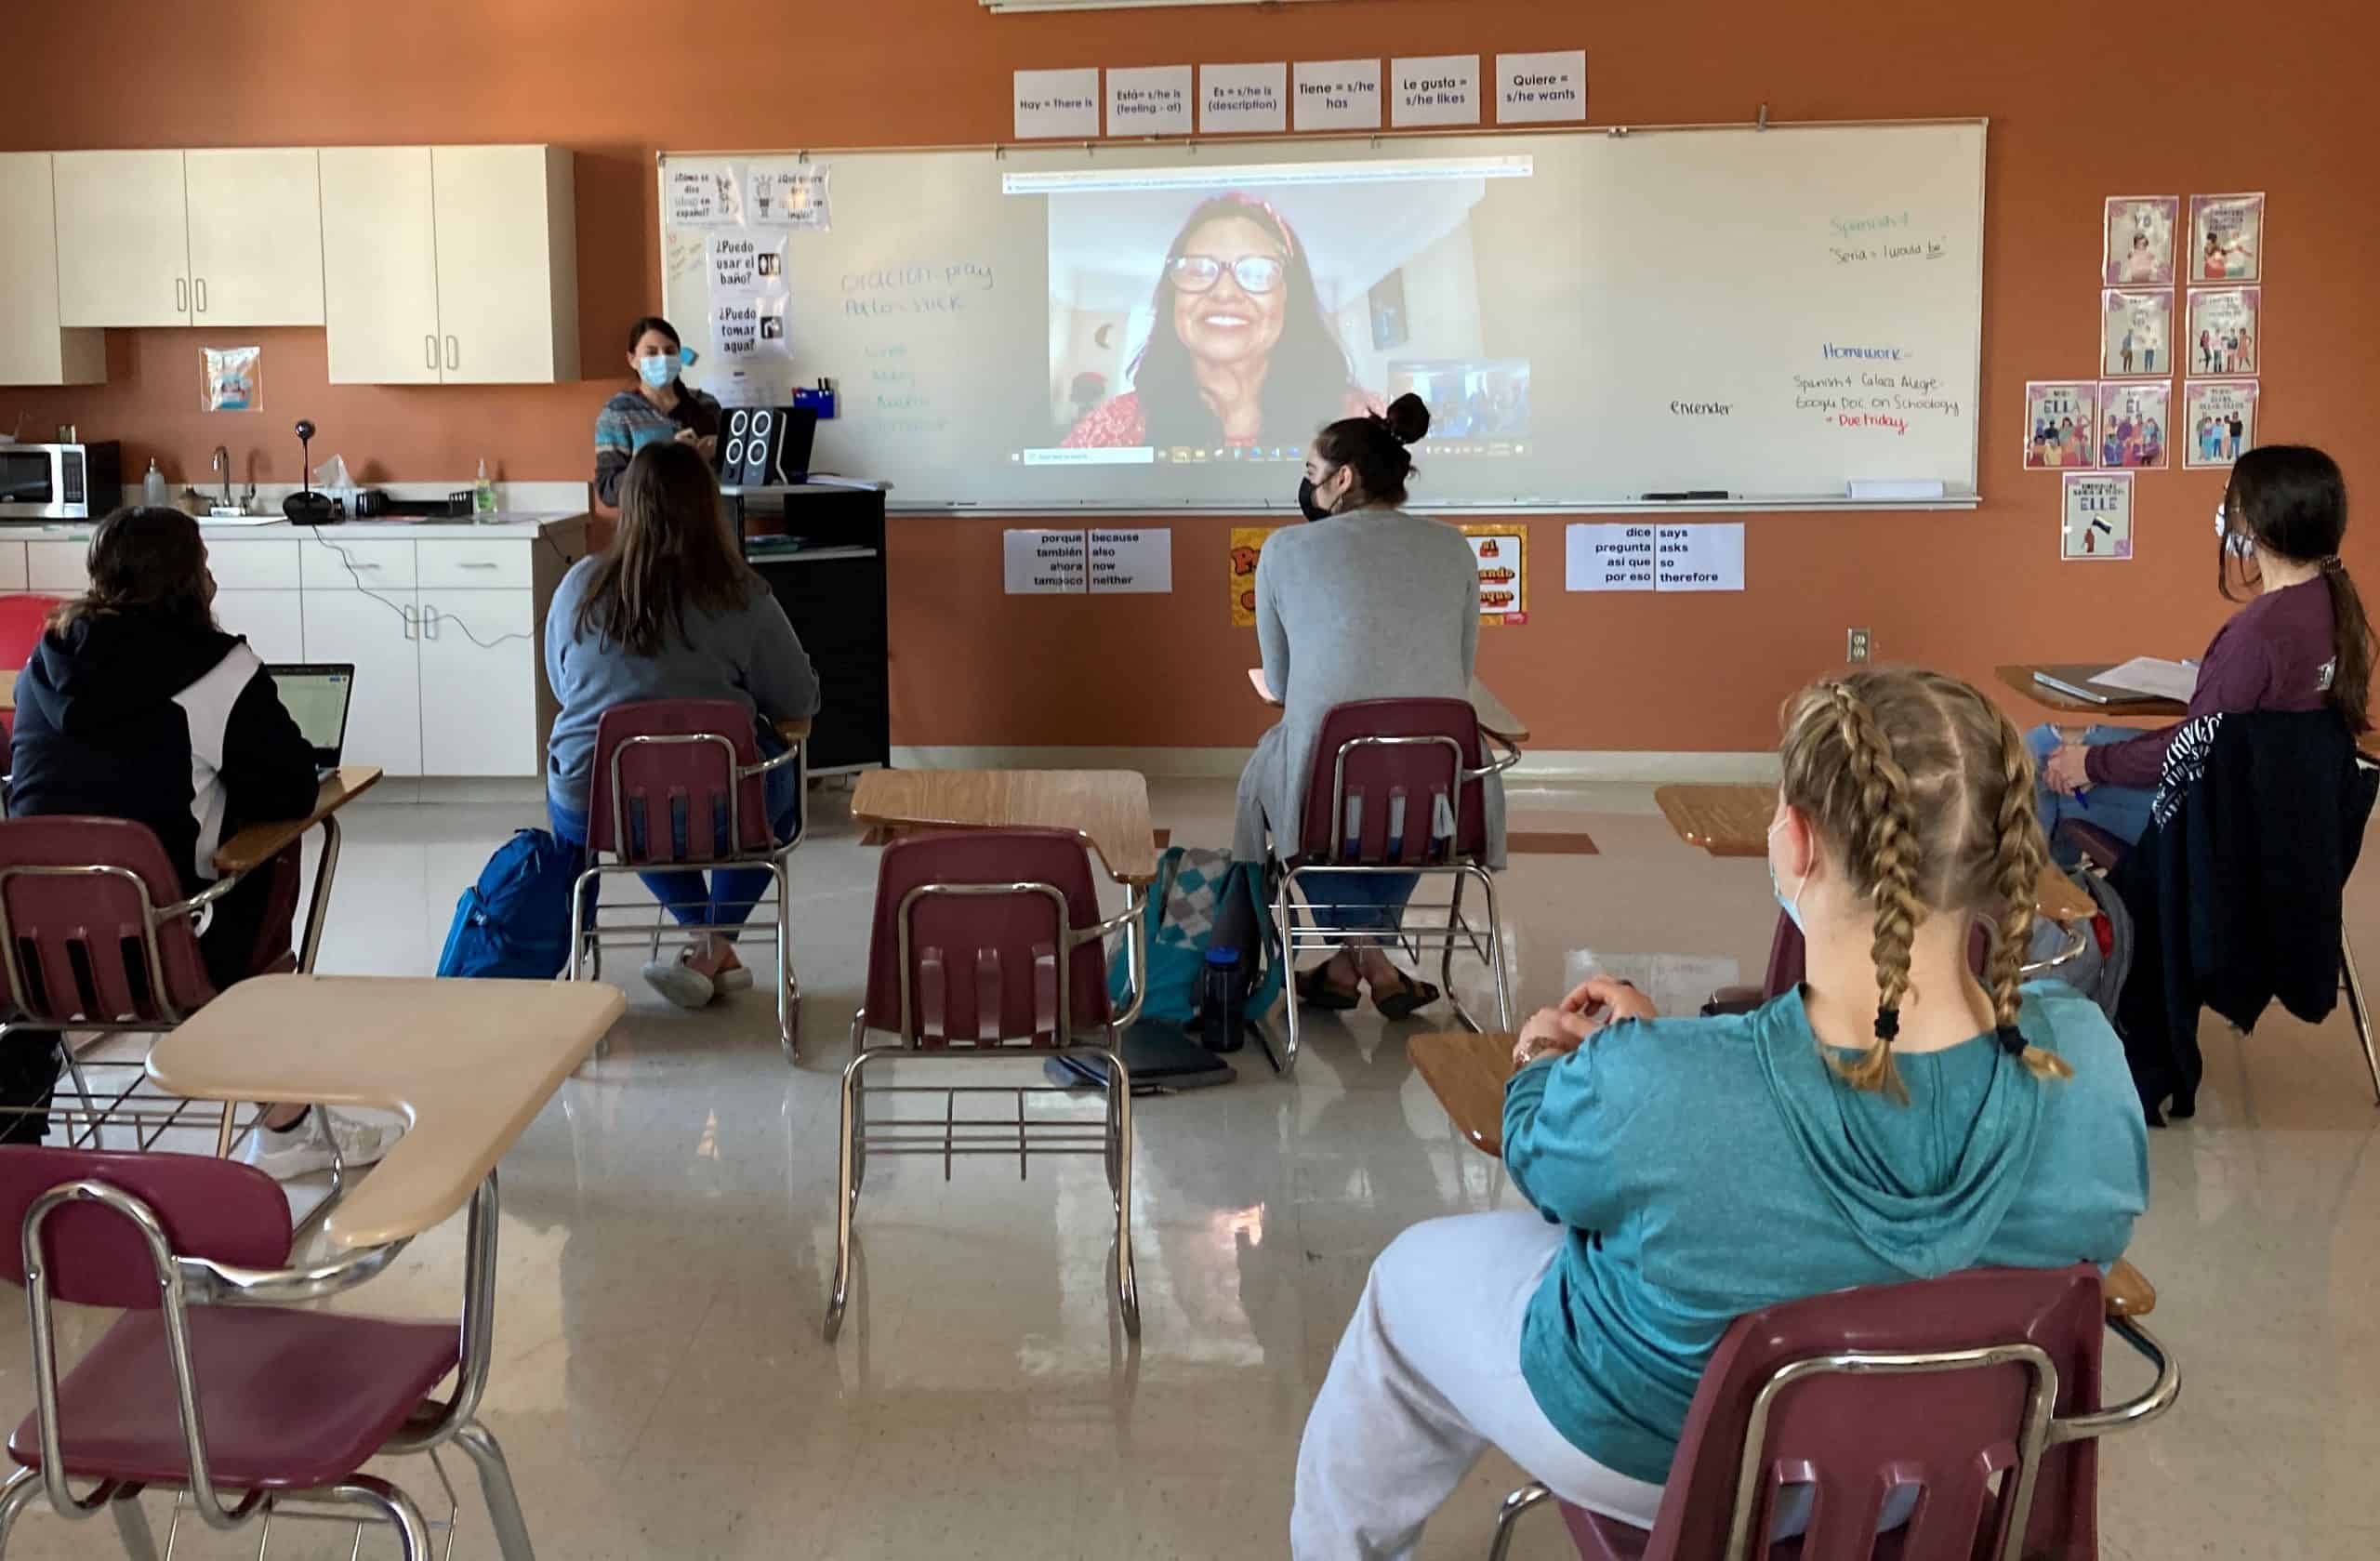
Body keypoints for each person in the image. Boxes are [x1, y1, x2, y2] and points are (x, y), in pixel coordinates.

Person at [1290, 668, 2149, 1560]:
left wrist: (1561, 1060)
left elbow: (1542, 1155)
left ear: (1800, 844)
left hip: (1653, 1445)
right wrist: (1657, 1066)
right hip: (1944, 1472)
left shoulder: (1665, 1087)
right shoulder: (2084, 1062)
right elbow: (2088, 1231)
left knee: (1403, 1284)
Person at [7, 507, 400, 1177]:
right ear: (190, 580)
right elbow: (289, 790)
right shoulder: (216, 668)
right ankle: (287, 1127)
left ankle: (16, 1148)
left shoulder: (42, 664)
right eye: (206, 565)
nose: (215, 581)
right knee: (275, 857)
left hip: (31, 961)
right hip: (166, 951)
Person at [1233, 393, 1502, 1018]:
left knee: (1296, 783)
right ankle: (1371, 962)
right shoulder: (1454, 548)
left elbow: (1280, 680)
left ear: (1343, 478)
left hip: (1329, 791)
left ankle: (1357, 957)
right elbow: (1457, 675)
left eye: (1310, 473)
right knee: (1393, 801)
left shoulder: (1282, 552)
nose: (1306, 486)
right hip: (1440, 798)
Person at [545, 440, 821, 1009]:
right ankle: (714, 942)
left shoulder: (580, 587)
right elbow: (798, 698)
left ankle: (705, 945)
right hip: (720, 804)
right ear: (708, 506)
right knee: (776, 784)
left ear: (628, 504)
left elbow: (562, 684)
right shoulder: (742, 594)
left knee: (644, 801)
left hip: (600, 807)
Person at [2034, 445, 2373, 857]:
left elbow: (2191, 752)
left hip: (2219, 825)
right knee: (2069, 742)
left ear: (2258, 520)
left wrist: (2089, 764)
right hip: (2283, 813)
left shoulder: (2259, 633)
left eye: (2231, 500)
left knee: (2042, 759)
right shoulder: (2330, 603)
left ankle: (2070, 917)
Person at [1063, 194, 1377, 451]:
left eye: (1257, 272)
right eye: (1198, 270)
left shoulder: (1361, 419)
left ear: (1290, 299)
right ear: (1174, 298)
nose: (1225, 292)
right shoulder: (1114, 427)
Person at [594, 316, 721, 509]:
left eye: (670, 351)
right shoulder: (618, 414)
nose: (662, 358)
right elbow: (608, 491)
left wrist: (721, 449)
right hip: (650, 528)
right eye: (651, 353)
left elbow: (736, 476)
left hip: (705, 523)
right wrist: (666, 457)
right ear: (632, 359)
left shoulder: (706, 405)